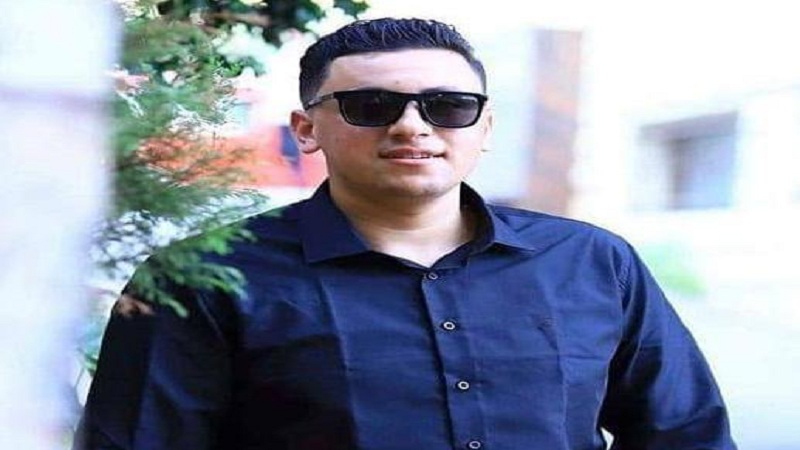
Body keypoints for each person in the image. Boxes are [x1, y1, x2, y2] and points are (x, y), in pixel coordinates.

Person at [75, 17, 737, 450]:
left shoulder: (592, 261)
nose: (412, 126)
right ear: (306, 129)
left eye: (448, 106)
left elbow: (686, 435)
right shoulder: (205, 279)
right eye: (371, 106)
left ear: (484, 126)